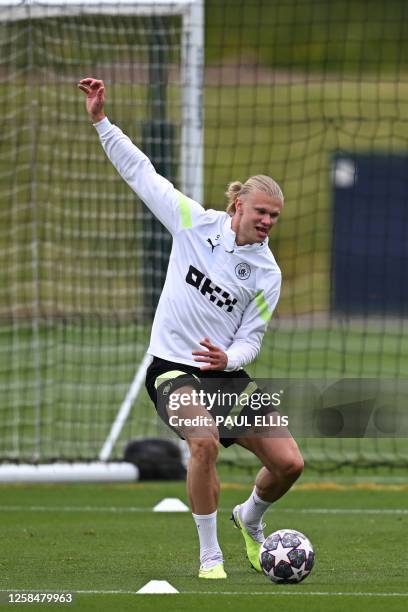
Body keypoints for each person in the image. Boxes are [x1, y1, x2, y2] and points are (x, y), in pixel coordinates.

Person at [78, 77, 304, 579]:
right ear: (238, 205)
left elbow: (252, 337)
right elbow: (144, 174)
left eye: (275, 217)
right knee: (201, 442)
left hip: (222, 377)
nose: (268, 222)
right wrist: (101, 121)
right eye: (261, 212)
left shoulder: (268, 273)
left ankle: (250, 516)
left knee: (290, 463)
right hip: (172, 370)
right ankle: (210, 555)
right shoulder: (193, 223)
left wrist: (231, 360)